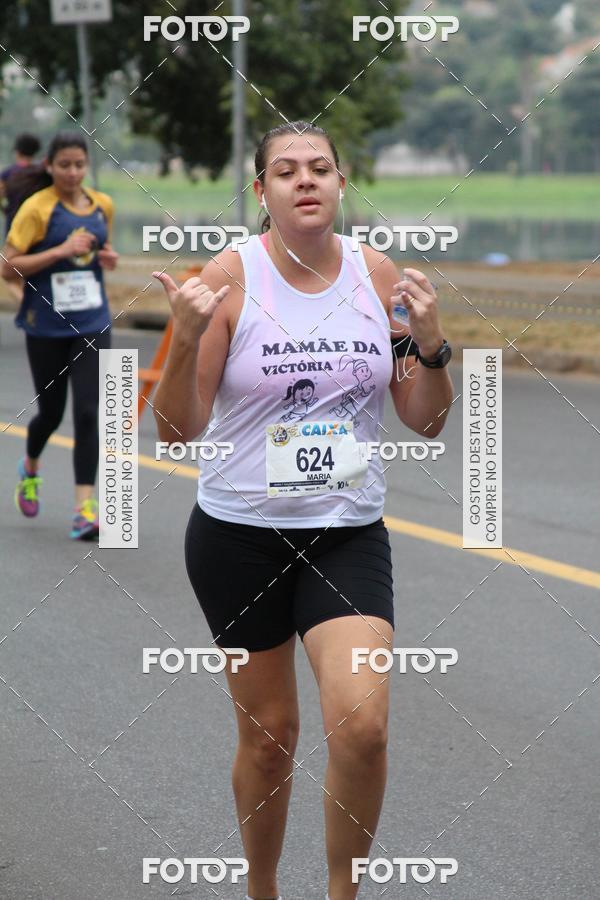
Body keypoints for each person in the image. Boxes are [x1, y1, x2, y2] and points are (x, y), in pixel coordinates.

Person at [152, 121, 453, 900]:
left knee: (363, 727)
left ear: (341, 183)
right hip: (238, 538)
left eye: (320, 167)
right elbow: (176, 429)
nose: (306, 179)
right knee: (269, 738)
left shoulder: (375, 273)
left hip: (345, 535)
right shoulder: (230, 277)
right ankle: (262, 888)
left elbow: (425, 418)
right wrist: (184, 339)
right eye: (286, 171)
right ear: (262, 191)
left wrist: (431, 346)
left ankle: (341, 895)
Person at [2, 131, 118, 540]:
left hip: (92, 323)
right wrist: (59, 251)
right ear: (49, 166)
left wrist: (107, 257)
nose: (72, 172)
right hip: (46, 325)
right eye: (64, 165)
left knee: (88, 413)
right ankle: (30, 466)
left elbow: (99, 253)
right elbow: (8, 266)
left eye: (79, 165)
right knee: (51, 414)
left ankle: (84, 509)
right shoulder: (37, 208)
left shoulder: (102, 205)